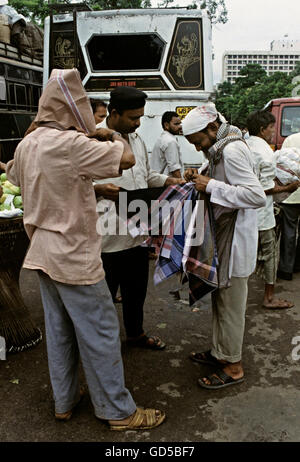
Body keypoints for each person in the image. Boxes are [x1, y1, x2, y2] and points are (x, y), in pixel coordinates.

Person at [5, 69, 165, 430]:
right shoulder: (71, 143)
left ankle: (64, 401)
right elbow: (126, 160)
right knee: (102, 331)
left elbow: (15, 177)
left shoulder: (28, 143)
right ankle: (119, 412)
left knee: (60, 330)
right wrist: (109, 133)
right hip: (74, 254)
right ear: (71, 108)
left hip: (43, 252)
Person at [182, 103, 266, 390]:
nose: (198, 148)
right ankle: (220, 353)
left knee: (230, 307)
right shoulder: (219, 149)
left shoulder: (231, 150)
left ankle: (233, 366)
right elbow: (217, 178)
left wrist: (211, 187)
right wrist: (199, 176)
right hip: (223, 240)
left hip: (236, 244)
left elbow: (255, 196)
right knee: (220, 303)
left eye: (198, 142)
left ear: (212, 128)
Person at [94, 87, 185, 350]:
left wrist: (169, 180)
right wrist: (98, 190)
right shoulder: (92, 139)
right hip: (105, 238)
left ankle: (135, 335)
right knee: (103, 298)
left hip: (137, 233)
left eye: (140, 118)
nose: (137, 123)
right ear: (114, 113)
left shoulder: (136, 139)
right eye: (133, 118)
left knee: (135, 292)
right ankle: (102, 349)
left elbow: (145, 176)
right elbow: (73, 185)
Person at [246, 110, 298, 308]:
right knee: (270, 255)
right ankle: (269, 297)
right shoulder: (266, 153)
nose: (273, 131)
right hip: (262, 214)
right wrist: (288, 187)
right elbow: (265, 188)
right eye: (271, 128)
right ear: (262, 130)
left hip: (244, 213)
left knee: (245, 253)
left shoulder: (244, 146)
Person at [276, 132, 300, 280]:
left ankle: (286, 269)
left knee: (289, 233)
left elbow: (280, 166)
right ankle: (298, 264)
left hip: (290, 194)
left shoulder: (291, 139)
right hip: (291, 193)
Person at [151, 111, 184, 178]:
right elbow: (174, 169)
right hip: (165, 184)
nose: (180, 127)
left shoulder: (163, 138)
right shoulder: (170, 141)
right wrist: (182, 184)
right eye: (176, 124)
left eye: (180, 124)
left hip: (157, 180)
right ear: (166, 125)